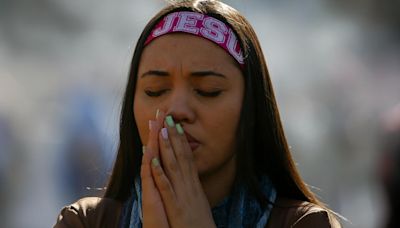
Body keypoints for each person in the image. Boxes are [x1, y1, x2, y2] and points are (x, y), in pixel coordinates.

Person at [54, 0, 341, 227]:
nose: (176, 110)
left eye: (208, 90)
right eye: (155, 90)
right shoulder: (85, 221)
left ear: (251, 107)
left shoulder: (305, 223)